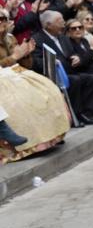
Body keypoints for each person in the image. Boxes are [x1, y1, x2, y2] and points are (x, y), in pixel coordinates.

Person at [0, 10, 68, 162]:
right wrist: (14, 57)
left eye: (4, 18)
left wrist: (26, 54)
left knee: (47, 90)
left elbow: (26, 65)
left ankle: (51, 137)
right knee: (19, 101)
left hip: (16, 73)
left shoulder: (9, 38)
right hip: (4, 79)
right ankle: (24, 144)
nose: (2, 22)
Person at [30, 10, 93, 125]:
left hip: (70, 71)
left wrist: (77, 57)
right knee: (75, 80)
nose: (63, 23)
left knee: (92, 78)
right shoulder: (37, 39)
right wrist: (51, 61)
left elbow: (73, 52)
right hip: (53, 75)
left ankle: (88, 112)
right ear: (48, 25)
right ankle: (75, 114)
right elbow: (35, 62)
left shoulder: (63, 38)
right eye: (59, 21)